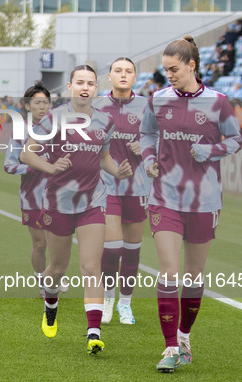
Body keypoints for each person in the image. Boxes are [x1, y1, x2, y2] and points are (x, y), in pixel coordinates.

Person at [140, 36, 242, 372]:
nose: (168, 74)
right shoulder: (157, 99)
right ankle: (170, 348)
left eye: (174, 69)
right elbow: (146, 134)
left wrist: (210, 151)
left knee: (194, 275)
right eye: (165, 69)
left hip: (203, 200)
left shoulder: (218, 102)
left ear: (191, 66)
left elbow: (235, 140)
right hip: (164, 196)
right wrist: (148, 159)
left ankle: (184, 336)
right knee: (169, 270)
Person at [20, 65, 133, 354]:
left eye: (91, 83)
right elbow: (26, 153)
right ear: (69, 86)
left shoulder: (105, 121)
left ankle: (93, 332)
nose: (85, 87)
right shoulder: (53, 118)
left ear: (96, 88)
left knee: (90, 267)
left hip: (93, 202)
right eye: (80, 82)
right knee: (56, 268)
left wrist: (117, 172)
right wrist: (50, 166)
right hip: (58, 203)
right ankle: (50, 304)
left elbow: (104, 157)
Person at [96, 57, 151, 326]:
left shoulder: (147, 106)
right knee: (113, 246)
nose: (123, 75)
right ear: (109, 76)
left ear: (135, 78)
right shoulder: (96, 105)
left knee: (131, 248)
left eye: (128, 71)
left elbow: (162, 141)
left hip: (138, 186)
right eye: (118, 70)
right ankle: (107, 299)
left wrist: (147, 148)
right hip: (106, 185)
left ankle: (125, 303)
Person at [3, 81, 53, 298]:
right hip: (33, 197)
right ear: (27, 106)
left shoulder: (58, 129)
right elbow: (9, 165)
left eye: (45, 103)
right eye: (37, 103)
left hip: (59, 196)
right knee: (40, 244)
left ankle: (55, 274)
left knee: (59, 242)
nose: (42, 107)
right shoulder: (20, 131)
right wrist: (34, 165)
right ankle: (42, 280)